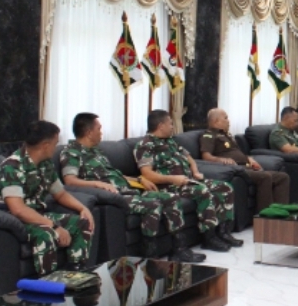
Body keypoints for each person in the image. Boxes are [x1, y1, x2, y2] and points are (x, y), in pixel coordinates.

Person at [60, 112, 203, 263]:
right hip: (116, 197)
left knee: (171, 198)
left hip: (129, 190)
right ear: (89, 132)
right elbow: (70, 181)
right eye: (99, 129)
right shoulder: (71, 152)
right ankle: (150, 253)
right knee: (153, 205)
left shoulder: (97, 151)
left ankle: (179, 249)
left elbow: (115, 175)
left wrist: (139, 179)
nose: (101, 133)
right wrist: (96, 184)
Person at [0, 120, 94, 275]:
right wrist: (54, 226)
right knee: (46, 234)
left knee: (81, 223)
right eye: (55, 143)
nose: (56, 147)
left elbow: (60, 194)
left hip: (37, 215)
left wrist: (83, 208)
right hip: (14, 221)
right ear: (45, 145)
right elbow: (18, 210)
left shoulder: (46, 164)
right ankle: (48, 282)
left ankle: (75, 274)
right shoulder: (12, 167)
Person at [134, 110, 239, 252]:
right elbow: (147, 174)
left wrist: (195, 172)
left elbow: (189, 158)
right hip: (169, 186)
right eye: (170, 124)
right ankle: (209, 237)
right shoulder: (145, 145)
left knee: (225, 187)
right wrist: (173, 179)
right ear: (161, 126)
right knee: (202, 191)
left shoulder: (171, 141)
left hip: (189, 180)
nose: (172, 127)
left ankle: (224, 232)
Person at [200, 108, 290, 211]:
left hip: (247, 167)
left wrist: (249, 159)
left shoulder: (227, 135)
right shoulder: (209, 135)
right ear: (216, 121)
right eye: (225, 118)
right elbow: (206, 156)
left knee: (282, 177)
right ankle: (264, 214)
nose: (228, 121)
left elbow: (238, 153)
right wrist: (221, 160)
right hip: (236, 169)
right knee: (265, 177)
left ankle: (281, 212)